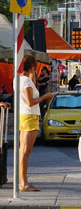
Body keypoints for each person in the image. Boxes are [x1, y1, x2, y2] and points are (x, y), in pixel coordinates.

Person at [19, 55, 54, 191]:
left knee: (23, 151)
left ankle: (22, 181)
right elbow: (30, 101)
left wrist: (32, 77)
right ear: (32, 67)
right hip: (30, 115)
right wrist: (45, 97)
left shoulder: (20, 79)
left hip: (24, 115)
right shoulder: (27, 82)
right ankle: (24, 183)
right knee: (25, 152)